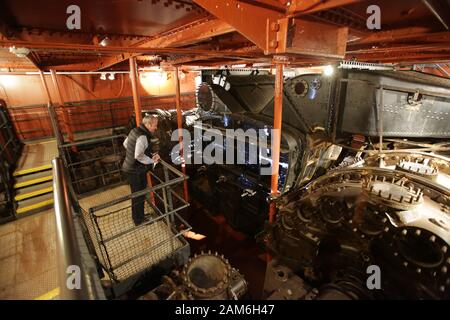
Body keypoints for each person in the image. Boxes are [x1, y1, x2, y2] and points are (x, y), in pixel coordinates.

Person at [122, 115, 160, 226]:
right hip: (136, 171)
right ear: (148, 124)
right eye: (154, 125)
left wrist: (132, 153)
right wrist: (151, 161)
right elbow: (138, 155)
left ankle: (139, 216)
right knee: (139, 196)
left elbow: (125, 144)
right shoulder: (143, 136)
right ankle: (139, 220)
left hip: (129, 168)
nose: (155, 128)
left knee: (137, 195)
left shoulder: (135, 130)